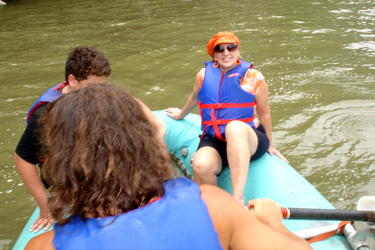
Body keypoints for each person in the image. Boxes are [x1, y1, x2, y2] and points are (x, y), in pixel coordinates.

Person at [25, 84, 312, 250]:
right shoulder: (212, 206)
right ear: (142, 142)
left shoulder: (42, 246)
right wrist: (272, 222)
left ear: (60, 160)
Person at [14, 46, 165, 233]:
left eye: (103, 86)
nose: (99, 93)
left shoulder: (90, 94)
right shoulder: (45, 116)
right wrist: (45, 206)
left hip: (86, 159)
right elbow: (22, 159)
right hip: (65, 176)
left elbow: (128, 100)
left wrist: (158, 126)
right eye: (94, 87)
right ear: (72, 80)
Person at [165, 31, 288, 206]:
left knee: (234, 128)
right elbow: (194, 98)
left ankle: (237, 199)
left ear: (238, 50)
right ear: (214, 55)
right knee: (200, 165)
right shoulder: (203, 75)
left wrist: (271, 144)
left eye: (231, 47)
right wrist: (180, 114)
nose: (226, 52)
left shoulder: (254, 77)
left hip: (248, 136)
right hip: (216, 137)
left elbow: (265, 112)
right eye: (220, 49)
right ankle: (215, 209)